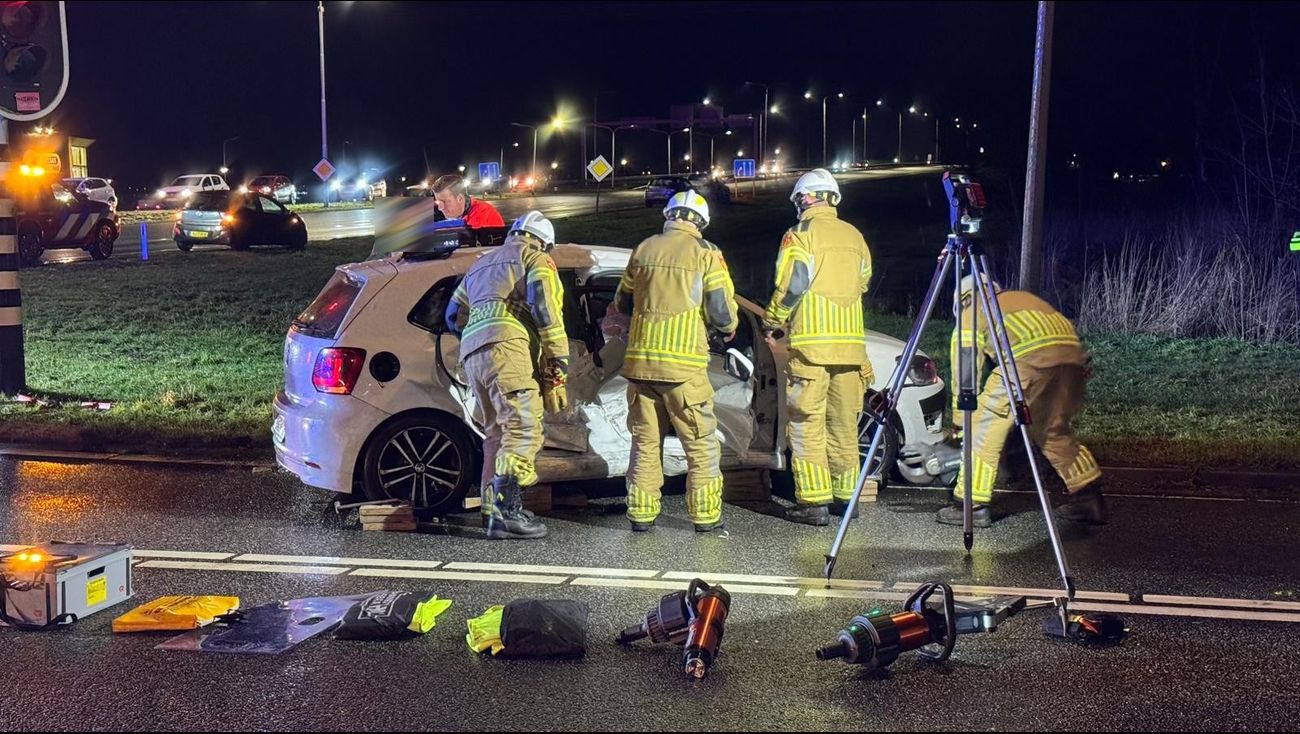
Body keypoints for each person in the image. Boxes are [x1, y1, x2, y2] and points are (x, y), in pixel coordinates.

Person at [614, 191, 738, 533]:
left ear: (669, 215)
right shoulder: (706, 254)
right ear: (700, 221)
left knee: (644, 443)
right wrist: (728, 329)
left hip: (641, 367)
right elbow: (721, 311)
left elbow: (623, 303)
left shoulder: (643, 249)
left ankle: (640, 515)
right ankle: (706, 518)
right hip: (683, 369)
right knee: (700, 444)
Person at [939, 277, 1105, 527]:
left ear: (962, 300)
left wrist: (961, 419)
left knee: (984, 425)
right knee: (1051, 430)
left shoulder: (973, 309)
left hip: (1025, 362)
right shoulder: (1023, 298)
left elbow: (965, 368)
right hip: (1071, 361)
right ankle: (1089, 497)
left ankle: (970, 505)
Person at [761, 168, 875, 526]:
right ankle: (847, 499)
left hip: (811, 349)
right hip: (851, 350)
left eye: (799, 199)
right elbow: (863, 281)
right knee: (843, 425)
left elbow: (794, 284)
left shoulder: (799, 234)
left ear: (807, 198)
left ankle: (813, 502)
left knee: (807, 424)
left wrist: (772, 318)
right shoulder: (855, 236)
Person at [445, 210, 567, 539]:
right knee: (523, 431)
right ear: (544, 242)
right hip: (509, 351)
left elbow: (453, 313)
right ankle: (505, 512)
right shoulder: (535, 258)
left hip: (474, 356)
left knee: (496, 435)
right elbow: (544, 308)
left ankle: (491, 510)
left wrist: (477, 340)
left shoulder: (481, 263)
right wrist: (558, 357)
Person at [430, 174, 504, 228]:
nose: (440, 208)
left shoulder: (483, 214)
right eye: (438, 202)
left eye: (445, 202)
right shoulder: (460, 212)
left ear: (460, 198)